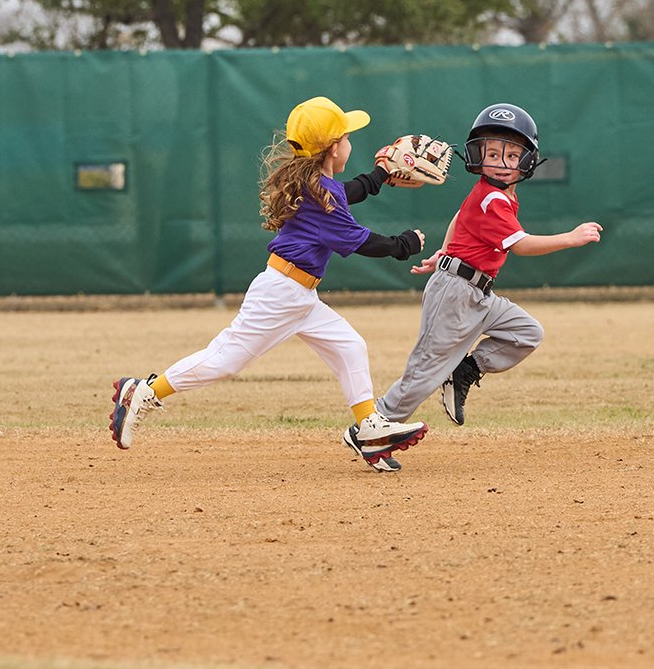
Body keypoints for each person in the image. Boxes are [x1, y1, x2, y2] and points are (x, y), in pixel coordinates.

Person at [109, 96, 430, 471]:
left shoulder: (318, 185)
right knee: (224, 361)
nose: (350, 143)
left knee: (350, 346)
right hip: (280, 294)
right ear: (332, 148)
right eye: (346, 137)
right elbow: (359, 240)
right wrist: (402, 244)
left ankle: (369, 429)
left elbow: (347, 193)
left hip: (300, 295)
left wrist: (379, 177)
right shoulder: (321, 195)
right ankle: (142, 392)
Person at [369, 103, 602, 438]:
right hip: (456, 294)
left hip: (477, 292)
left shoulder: (495, 195)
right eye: (493, 153)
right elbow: (519, 244)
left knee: (527, 333)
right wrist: (571, 237)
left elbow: (459, 217)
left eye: (511, 155)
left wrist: (444, 253)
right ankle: (377, 422)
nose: (501, 163)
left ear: (526, 160)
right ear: (479, 155)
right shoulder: (492, 200)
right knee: (426, 370)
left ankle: (465, 370)